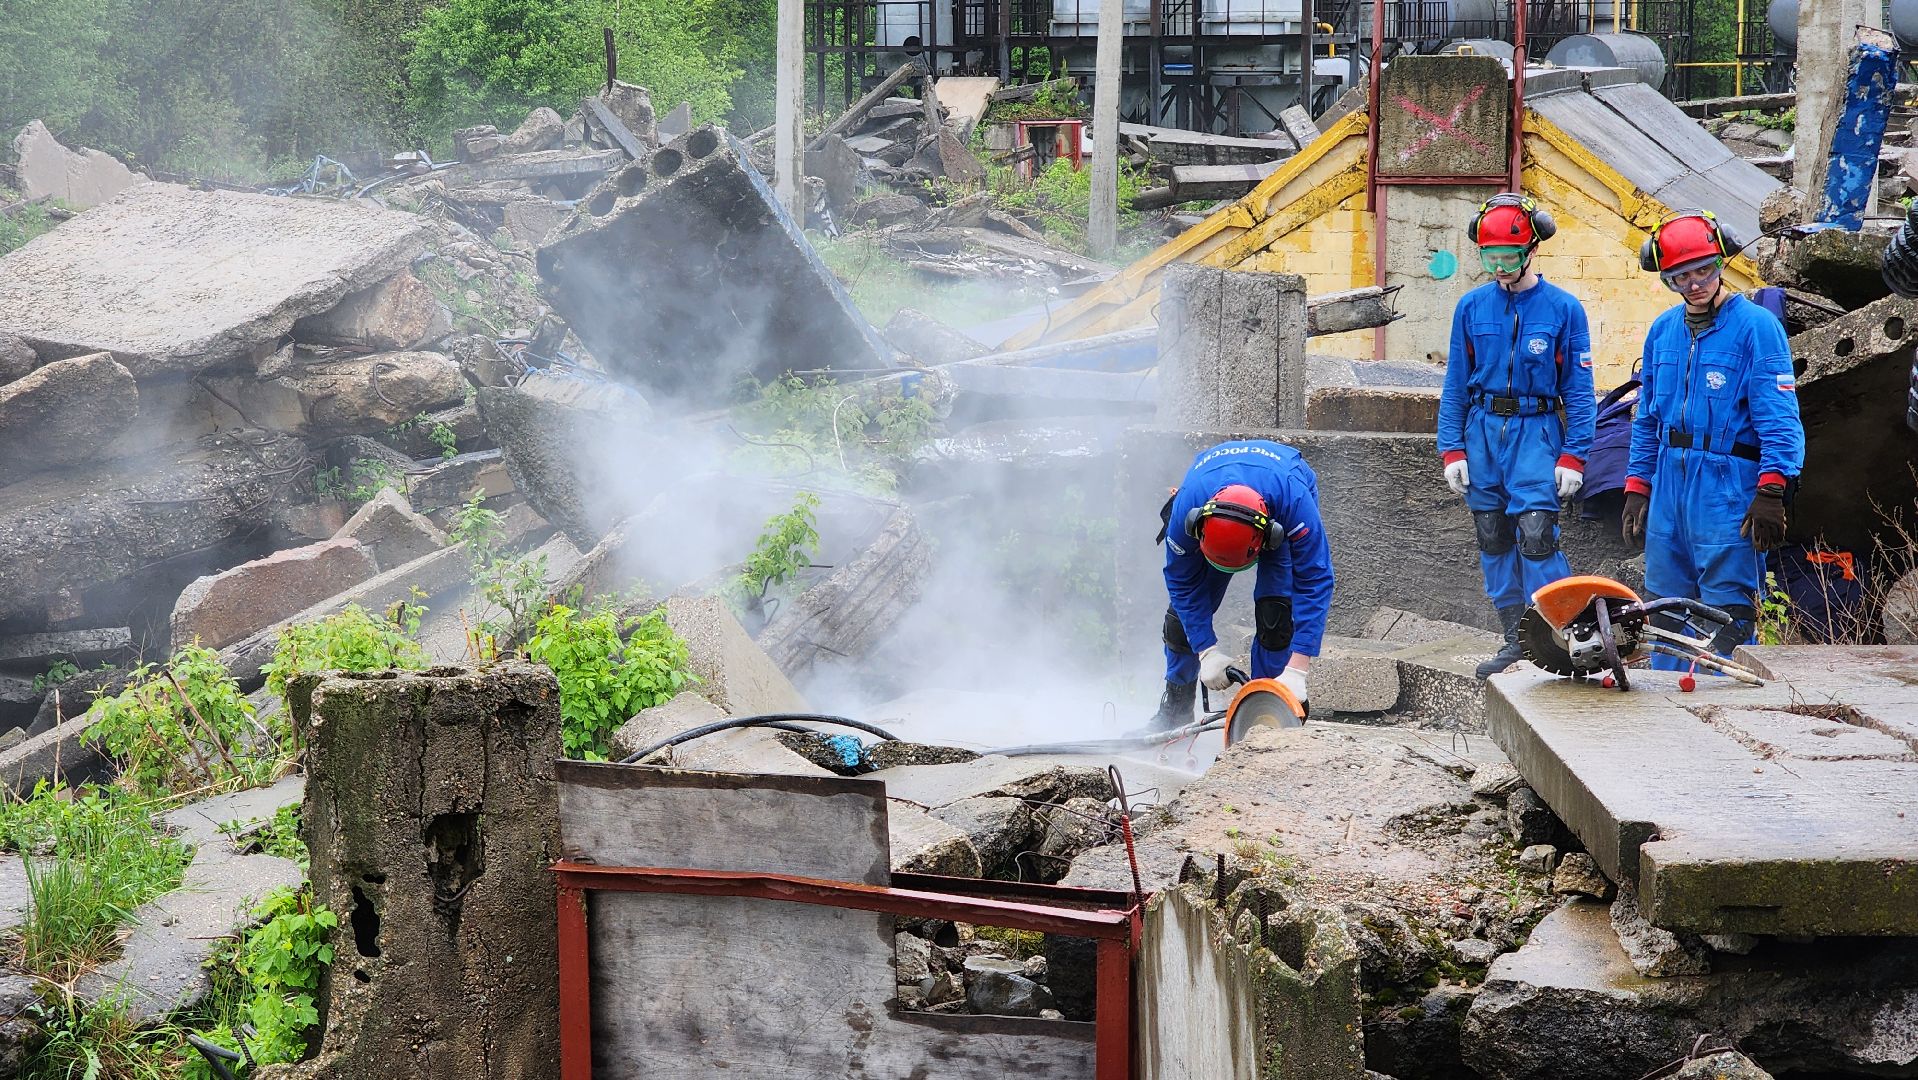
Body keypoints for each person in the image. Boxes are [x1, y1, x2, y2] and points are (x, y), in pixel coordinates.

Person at [1623, 209, 1804, 662]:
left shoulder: (1757, 328)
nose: (1695, 284)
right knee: (1664, 610)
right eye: (1681, 276)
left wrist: (1773, 488)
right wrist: (1638, 486)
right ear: (1668, 279)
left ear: (1720, 263)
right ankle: (1667, 706)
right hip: (1669, 483)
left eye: (1704, 270)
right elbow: (1647, 418)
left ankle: (1723, 706)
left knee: (1726, 613)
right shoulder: (1663, 331)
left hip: (1726, 486)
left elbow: (1780, 417)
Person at [1437, 192, 1597, 679]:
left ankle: (1563, 634)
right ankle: (1514, 640)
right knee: (1493, 537)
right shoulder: (1471, 307)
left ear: (1531, 249)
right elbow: (1454, 384)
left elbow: (1581, 391)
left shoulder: (1564, 310)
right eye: (1491, 258)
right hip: (1482, 432)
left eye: (1509, 257)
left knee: (1536, 536)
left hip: (1537, 432)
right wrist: (1451, 448)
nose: (1500, 267)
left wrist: (1574, 456)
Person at [1147, 439, 1335, 730]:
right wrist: (1206, 650)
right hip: (1213, 492)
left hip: (1277, 504)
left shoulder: (1294, 503)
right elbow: (1182, 582)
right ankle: (1174, 709)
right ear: (1197, 527)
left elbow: (1315, 578)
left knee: (1276, 615)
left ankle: (1267, 708)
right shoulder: (1188, 505)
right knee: (1180, 621)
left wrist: (1298, 669)